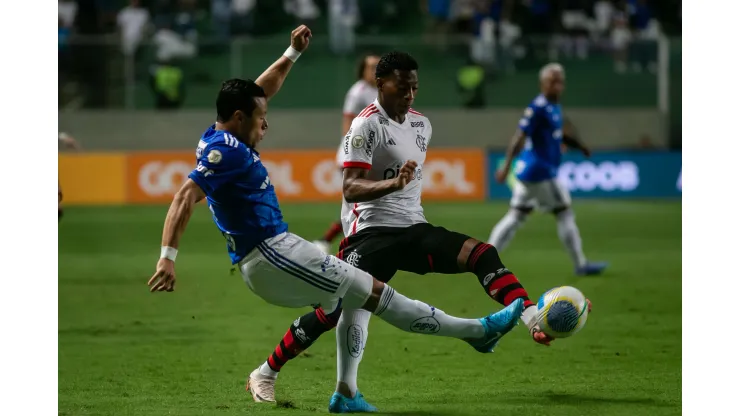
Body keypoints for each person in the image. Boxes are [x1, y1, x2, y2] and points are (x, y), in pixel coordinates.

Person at [146, 28, 525, 407]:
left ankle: (318, 386)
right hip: (270, 254)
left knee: (340, 306)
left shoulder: (220, 132)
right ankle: (477, 331)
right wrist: (167, 257)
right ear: (239, 117)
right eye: (260, 118)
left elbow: (261, 90)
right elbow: (183, 198)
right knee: (375, 294)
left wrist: (291, 54)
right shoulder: (225, 153)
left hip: (276, 253)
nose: (266, 124)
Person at [248, 51, 582, 413]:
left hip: (414, 228)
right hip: (370, 235)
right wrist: (391, 186)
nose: (409, 95)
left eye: (415, 88)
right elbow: (350, 188)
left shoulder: (422, 125)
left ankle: (532, 317)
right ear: (380, 83)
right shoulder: (365, 126)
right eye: (402, 87)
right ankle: (268, 372)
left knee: (481, 254)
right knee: (337, 310)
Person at [487, 63, 607, 276]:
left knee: (516, 215)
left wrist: (580, 146)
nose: (557, 85)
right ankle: (580, 264)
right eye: (553, 81)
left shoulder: (553, 106)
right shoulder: (538, 107)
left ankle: (485, 258)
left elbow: (559, 134)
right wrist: (506, 167)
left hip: (530, 172)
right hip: (540, 172)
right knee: (564, 212)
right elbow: (519, 137)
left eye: (560, 81)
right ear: (543, 84)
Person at [313, 54, 380, 254]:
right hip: (353, 157)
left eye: (378, 66)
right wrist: (354, 150)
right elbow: (348, 122)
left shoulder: (380, 92)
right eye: (372, 66)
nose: (376, 70)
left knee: (363, 205)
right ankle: (339, 244)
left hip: (368, 156)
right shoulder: (358, 92)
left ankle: (329, 241)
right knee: (361, 205)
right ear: (363, 70)